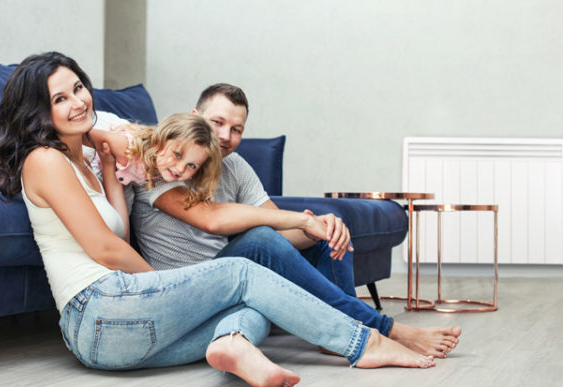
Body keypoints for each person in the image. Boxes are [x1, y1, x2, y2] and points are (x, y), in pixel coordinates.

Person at [0, 51, 435, 387]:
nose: (78, 102)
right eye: (59, 98)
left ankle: (233, 342)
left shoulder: (86, 155)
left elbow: (118, 227)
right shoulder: (43, 160)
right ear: (38, 111)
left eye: (79, 88)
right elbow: (104, 249)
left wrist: (105, 162)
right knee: (242, 272)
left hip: (121, 335)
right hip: (98, 311)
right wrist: (162, 287)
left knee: (255, 302)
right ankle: (365, 343)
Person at [128, 83, 461, 359]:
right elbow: (213, 220)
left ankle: (339, 334)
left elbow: (279, 233)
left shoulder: (236, 167)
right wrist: (302, 222)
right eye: (217, 123)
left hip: (227, 272)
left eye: (237, 129)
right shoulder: (163, 161)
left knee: (328, 233)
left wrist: (322, 228)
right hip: (186, 285)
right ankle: (380, 328)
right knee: (261, 238)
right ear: (195, 118)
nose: (226, 136)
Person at [89, 113, 222, 209]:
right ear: (161, 140)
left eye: (192, 165)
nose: (181, 169)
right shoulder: (127, 147)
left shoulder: (161, 166)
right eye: (177, 155)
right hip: (92, 154)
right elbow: (81, 136)